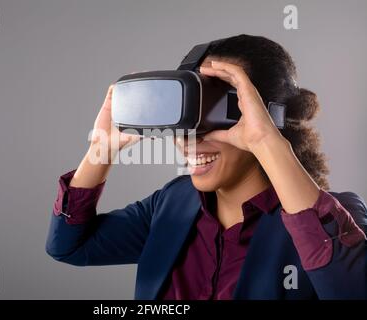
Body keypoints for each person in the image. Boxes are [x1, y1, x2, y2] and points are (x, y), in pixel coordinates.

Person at [46, 35, 367, 300]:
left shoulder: (331, 219)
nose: (190, 138)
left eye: (213, 110)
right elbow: (68, 246)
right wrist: (101, 149)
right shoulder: (172, 203)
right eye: (187, 113)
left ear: (267, 118)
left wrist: (267, 142)